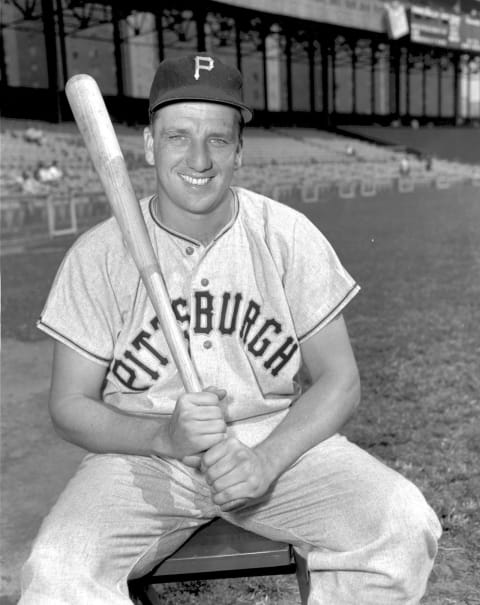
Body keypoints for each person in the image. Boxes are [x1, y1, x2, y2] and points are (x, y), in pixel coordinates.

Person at [20, 53, 441, 604]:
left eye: (218, 139)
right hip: (139, 454)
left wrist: (265, 461)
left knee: (402, 525)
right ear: (149, 145)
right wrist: (161, 437)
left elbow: (340, 380)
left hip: (274, 441)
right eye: (178, 136)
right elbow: (69, 404)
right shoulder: (97, 255)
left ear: (239, 150)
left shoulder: (286, 236)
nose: (199, 157)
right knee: (58, 570)